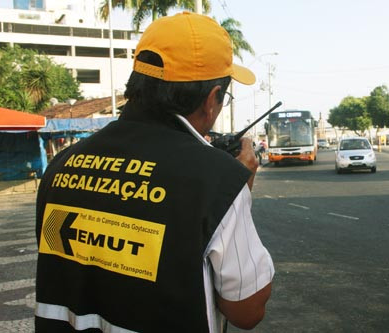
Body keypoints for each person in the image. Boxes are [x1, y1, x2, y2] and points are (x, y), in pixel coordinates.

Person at [35, 12, 274, 333]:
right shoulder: (217, 180)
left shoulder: (61, 164)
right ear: (212, 99)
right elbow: (247, 310)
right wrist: (237, 187)